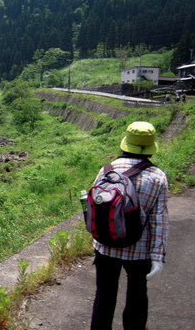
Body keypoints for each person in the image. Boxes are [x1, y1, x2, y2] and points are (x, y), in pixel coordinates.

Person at [90, 121, 169, 330]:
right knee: (137, 297)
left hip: (106, 245)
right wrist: (158, 257)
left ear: (126, 143)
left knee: (104, 297)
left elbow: (97, 207)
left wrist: (96, 239)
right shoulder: (157, 177)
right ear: (150, 147)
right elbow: (159, 219)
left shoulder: (107, 170)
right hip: (139, 249)